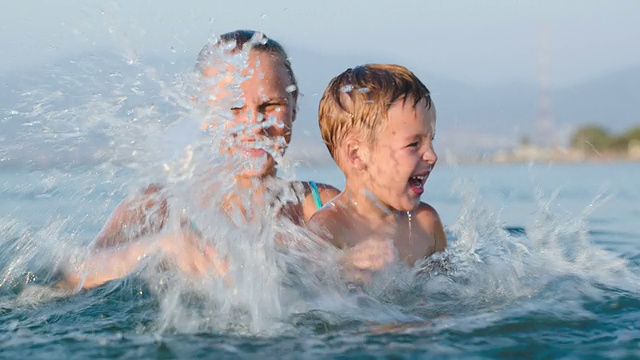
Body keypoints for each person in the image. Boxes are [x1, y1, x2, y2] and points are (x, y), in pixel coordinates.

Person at [63, 30, 340, 291]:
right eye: (234, 108)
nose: (254, 124)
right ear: (204, 114)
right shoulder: (159, 205)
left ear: (293, 106)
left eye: (270, 106)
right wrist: (159, 247)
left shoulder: (320, 205)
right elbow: (76, 271)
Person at [308, 64, 447, 282]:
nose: (431, 155)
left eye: (431, 140)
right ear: (356, 154)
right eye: (414, 144)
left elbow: (449, 292)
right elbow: (305, 292)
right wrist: (341, 266)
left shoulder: (427, 224)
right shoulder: (328, 229)